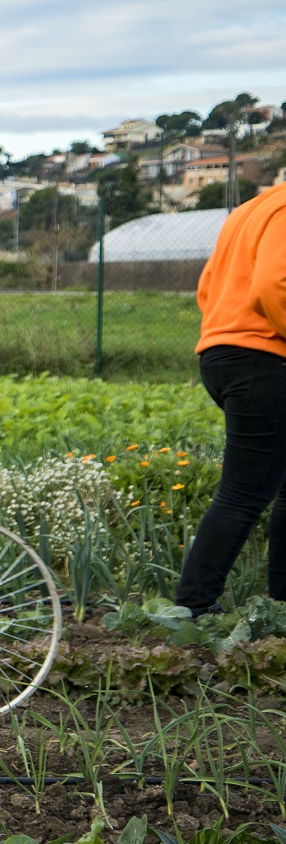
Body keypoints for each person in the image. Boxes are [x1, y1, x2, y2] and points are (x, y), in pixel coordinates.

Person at [174, 181, 286, 616]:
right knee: (244, 493)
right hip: (265, 359)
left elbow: (208, 286)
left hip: (223, 354)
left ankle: (281, 602)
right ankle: (195, 607)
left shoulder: (252, 208)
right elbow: (273, 285)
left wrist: (229, 332)